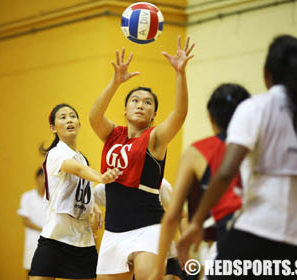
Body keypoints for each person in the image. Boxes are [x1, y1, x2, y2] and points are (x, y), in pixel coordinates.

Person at [177, 35, 297, 278]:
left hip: (257, 231)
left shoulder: (256, 107)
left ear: (266, 75)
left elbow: (226, 171)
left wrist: (197, 221)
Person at [88, 35, 194, 280]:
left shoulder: (155, 138)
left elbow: (179, 114)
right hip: (113, 231)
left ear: (154, 114)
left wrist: (180, 74)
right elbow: (94, 116)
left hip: (147, 227)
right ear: (125, 109)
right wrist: (115, 82)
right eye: (134, 100)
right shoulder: (113, 134)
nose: (140, 105)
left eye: (147, 103)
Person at [149, 83, 251, 280]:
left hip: (229, 247)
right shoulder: (269, 146)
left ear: (211, 119)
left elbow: (173, 216)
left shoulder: (199, 152)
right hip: (281, 246)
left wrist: (157, 270)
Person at [29, 103, 120, 280]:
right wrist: (102, 177)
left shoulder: (82, 158)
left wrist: (92, 206)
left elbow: (82, 187)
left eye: (72, 116)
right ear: (53, 127)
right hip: (55, 236)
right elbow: (77, 170)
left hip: (82, 239)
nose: (69, 120)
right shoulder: (55, 154)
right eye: (63, 117)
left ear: (79, 123)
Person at [94, 179, 187, 280]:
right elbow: (90, 197)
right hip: (120, 241)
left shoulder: (160, 184)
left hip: (159, 247)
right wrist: (94, 207)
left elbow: (182, 215)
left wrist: (186, 245)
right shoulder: (108, 185)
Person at [18, 168, 48, 275]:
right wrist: (43, 229)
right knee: (30, 271)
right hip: (32, 241)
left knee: (47, 272)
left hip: (48, 242)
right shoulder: (27, 197)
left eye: (47, 178)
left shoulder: (52, 198)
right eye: (42, 177)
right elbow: (25, 221)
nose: (44, 180)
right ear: (37, 178)